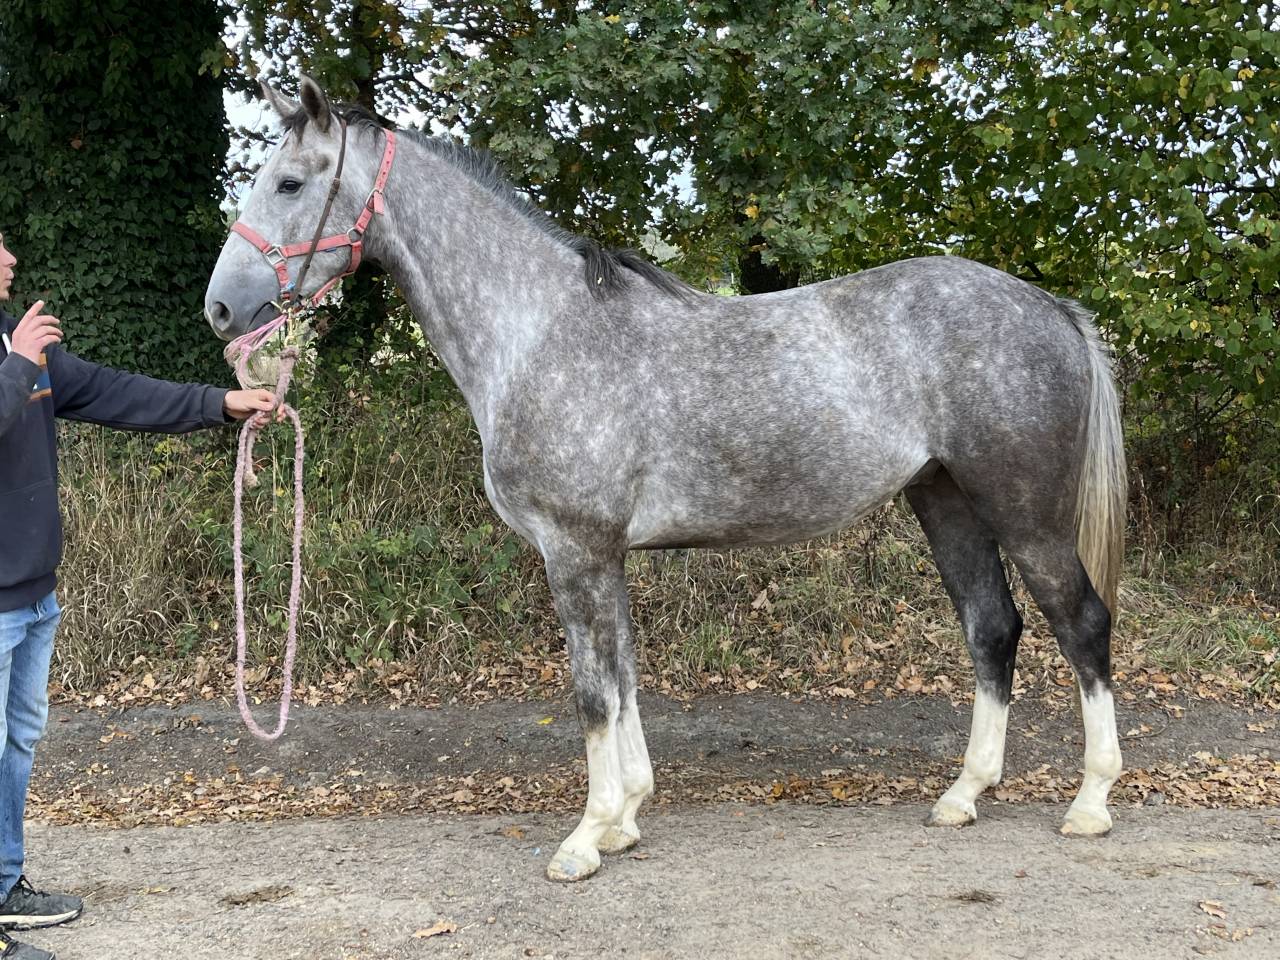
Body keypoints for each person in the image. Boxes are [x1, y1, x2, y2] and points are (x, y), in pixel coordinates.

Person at [0, 232, 278, 960]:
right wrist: (14, 368)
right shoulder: (17, 352)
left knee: (16, 747)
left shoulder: (15, 342)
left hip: (31, 594)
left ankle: (3, 887)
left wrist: (221, 403)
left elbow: (111, 391)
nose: (9, 261)